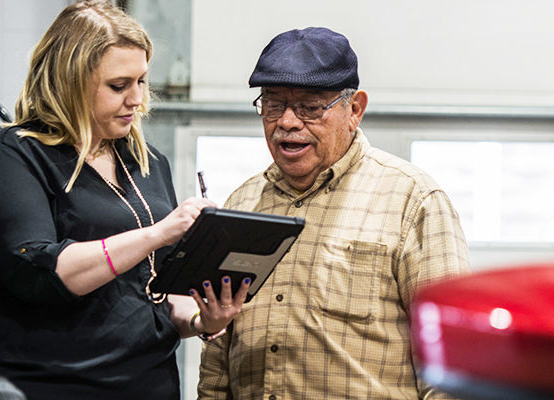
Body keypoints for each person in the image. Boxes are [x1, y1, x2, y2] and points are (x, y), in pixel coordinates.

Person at [0, 2, 248, 398]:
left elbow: (160, 291)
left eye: (142, 82)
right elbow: (41, 273)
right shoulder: (17, 157)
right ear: (71, 81)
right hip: (47, 385)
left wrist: (202, 319)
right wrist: (156, 234)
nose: (136, 99)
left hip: (146, 384)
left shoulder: (148, 163)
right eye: (119, 86)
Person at [197, 27, 470, 399]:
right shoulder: (242, 203)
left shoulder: (413, 200)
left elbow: (451, 356)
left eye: (310, 107)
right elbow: (217, 348)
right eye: (273, 104)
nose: (287, 122)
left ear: (354, 109)